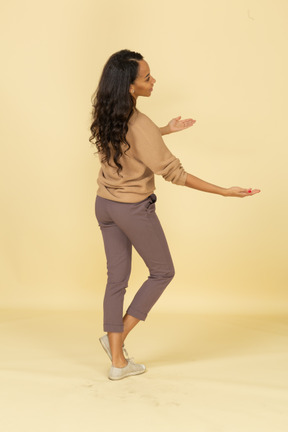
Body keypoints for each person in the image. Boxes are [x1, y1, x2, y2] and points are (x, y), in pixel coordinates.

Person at [90, 49, 260, 381]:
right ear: (130, 86)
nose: (154, 81)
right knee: (162, 271)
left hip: (105, 205)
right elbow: (175, 173)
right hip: (131, 209)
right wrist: (225, 190)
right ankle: (118, 342)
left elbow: (133, 141)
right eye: (147, 77)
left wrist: (163, 129)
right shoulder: (139, 124)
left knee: (116, 280)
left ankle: (117, 363)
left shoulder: (107, 113)